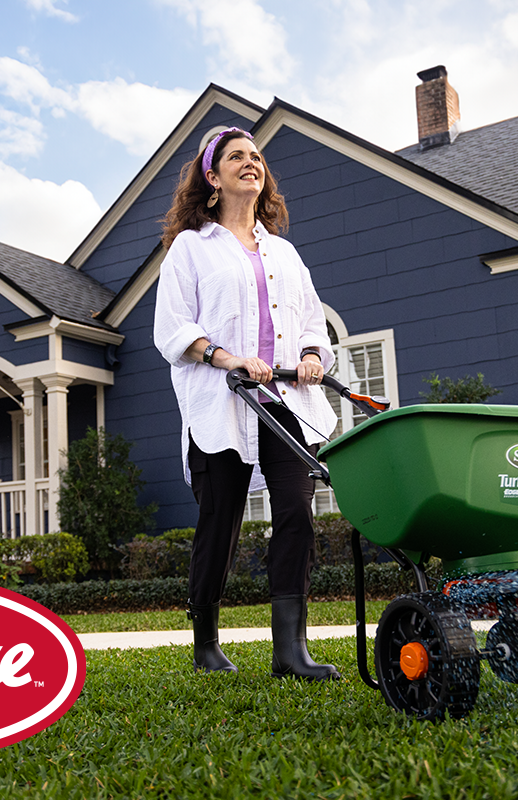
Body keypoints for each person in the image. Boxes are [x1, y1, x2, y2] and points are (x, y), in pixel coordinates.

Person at [153, 127, 340, 680]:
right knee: (221, 523)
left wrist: (310, 353)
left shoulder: (284, 251)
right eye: (237, 156)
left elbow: (312, 322)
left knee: (295, 514)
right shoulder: (191, 248)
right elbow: (173, 329)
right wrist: (222, 356)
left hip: (285, 401)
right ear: (212, 178)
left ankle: (290, 650)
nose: (251, 163)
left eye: (256, 156)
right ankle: (206, 643)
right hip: (223, 402)